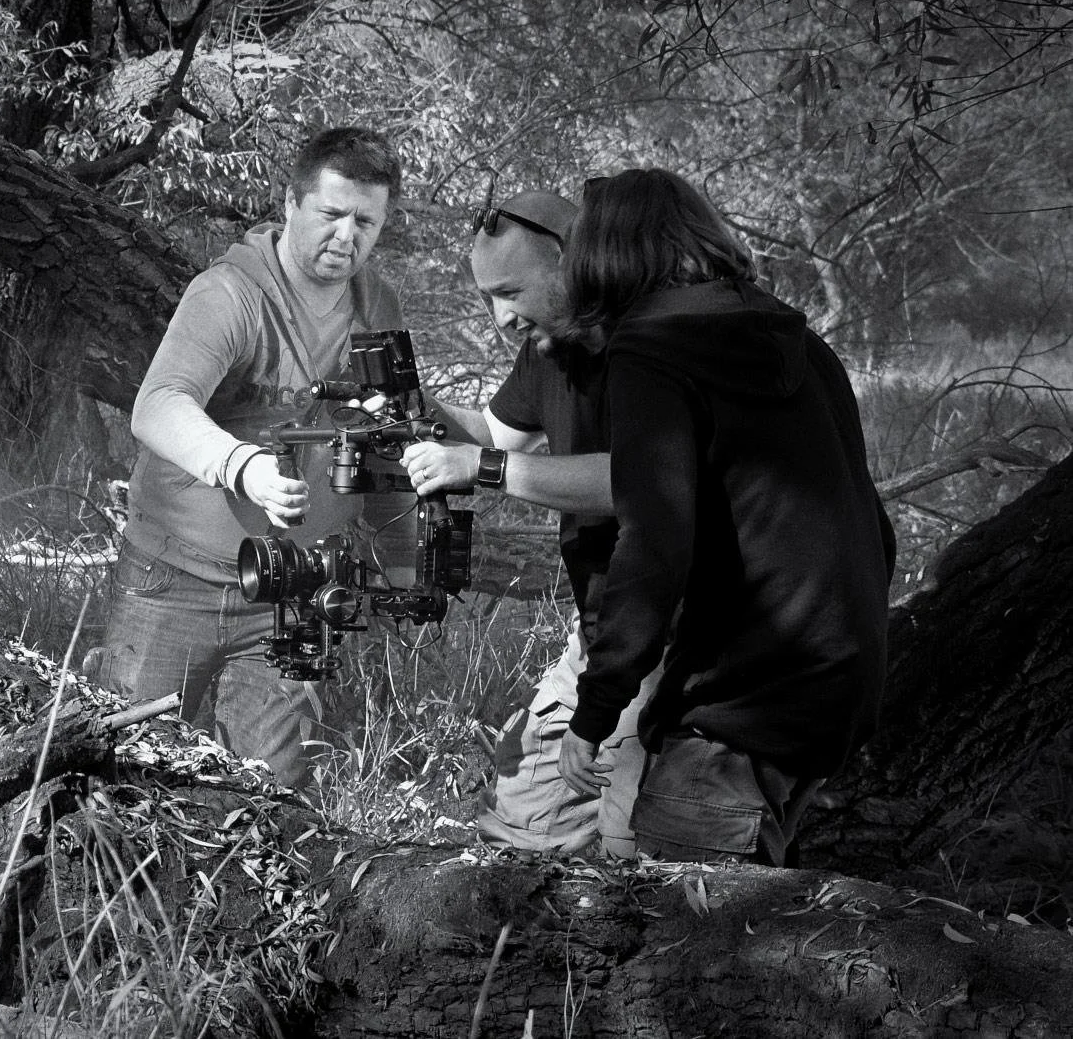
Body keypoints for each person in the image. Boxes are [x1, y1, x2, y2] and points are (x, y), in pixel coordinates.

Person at [555, 168, 896, 865]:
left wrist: (593, 711)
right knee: (748, 925)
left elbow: (652, 546)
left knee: (690, 939)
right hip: (841, 680)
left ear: (601, 256)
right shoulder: (800, 343)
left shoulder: (650, 351)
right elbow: (872, 526)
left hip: (746, 706)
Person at [96, 127, 407, 789]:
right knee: (126, 776)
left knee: (268, 795)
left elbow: (391, 433)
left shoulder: (377, 305)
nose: (346, 236)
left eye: (365, 221)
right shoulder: (228, 293)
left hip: (292, 590)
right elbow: (158, 404)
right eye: (330, 215)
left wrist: (401, 556)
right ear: (290, 205)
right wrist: (244, 466)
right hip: (170, 580)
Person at [403, 189, 659, 859]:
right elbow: (493, 433)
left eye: (510, 290)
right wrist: (408, 399)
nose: (499, 317)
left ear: (569, 258)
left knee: (633, 836)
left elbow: (639, 481)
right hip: (598, 630)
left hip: (669, 623)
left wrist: (481, 468)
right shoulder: (548, 348)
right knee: (521, 830)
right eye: (487, 297)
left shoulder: (652, 343)